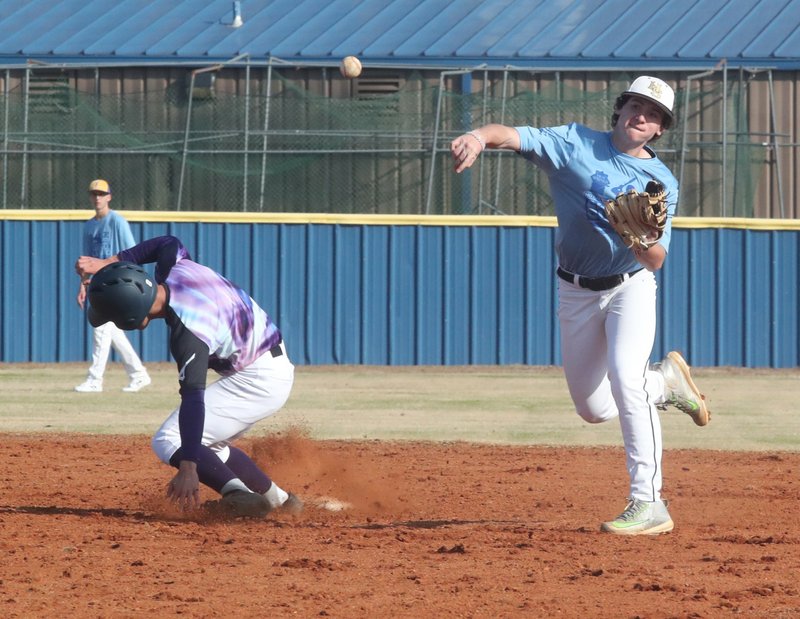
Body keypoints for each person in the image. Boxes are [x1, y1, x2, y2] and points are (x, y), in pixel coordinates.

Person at [450, 76, 710, 536]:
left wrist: (638, 234)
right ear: (621, 108)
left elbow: (656, 260)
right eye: (635, 105)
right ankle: (663, 384)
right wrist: (477, 136)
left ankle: (648, 502)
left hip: (630, 286)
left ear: (660, 129)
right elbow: (509, 135)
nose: (641, 115)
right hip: (575, 288)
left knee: (625, 380)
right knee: (592, 409)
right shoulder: (573, 144)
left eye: (652, 114)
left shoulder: (659, 180)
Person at [75, 235, 301, 517]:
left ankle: (240, 496)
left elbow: (194, 399)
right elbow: (167, 242)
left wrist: (189, 466)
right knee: (210, 447)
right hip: (266, 365)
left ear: (131, 319)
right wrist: (110, 263)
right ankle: (281, 501)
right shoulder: (173, 270)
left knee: (171, 440)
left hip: (259, 379)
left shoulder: (189, 333)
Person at [75, 179, 151, 393]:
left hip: (117, 282)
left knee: (101, 328)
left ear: (109, 196)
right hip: (99, 283)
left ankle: (95, 379)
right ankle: (138, 374)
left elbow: (132, 253)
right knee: (112, 331)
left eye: (101, 193)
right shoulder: (90, 225)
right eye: (94, 194)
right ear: (91, 197)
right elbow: (87, 260)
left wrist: (129, 282)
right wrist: (82, 284)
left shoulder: (117, 222)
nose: (97, 197)